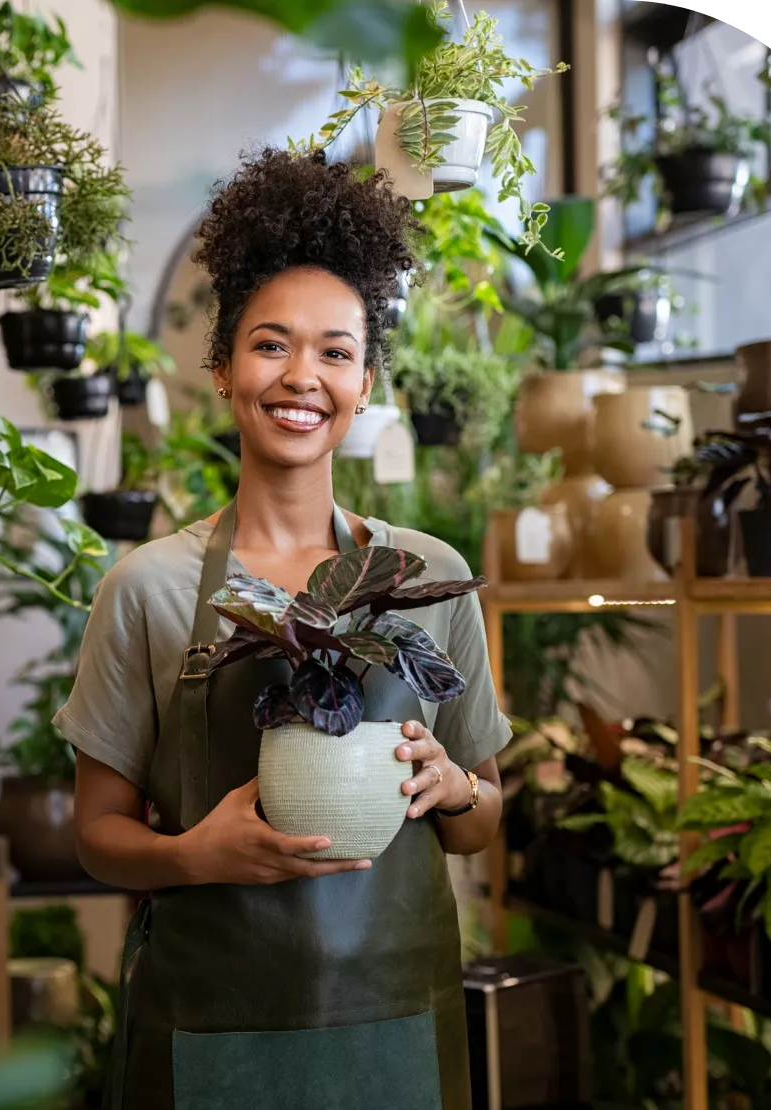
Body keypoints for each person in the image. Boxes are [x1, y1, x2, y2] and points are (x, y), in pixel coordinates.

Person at [57, 147, 511, 1110]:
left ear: (364, 381)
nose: (302, 376)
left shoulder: (426, 576)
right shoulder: (147, 588)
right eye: (270, 344)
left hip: (397, 1022)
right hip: (214, 1027)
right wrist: (191, 856)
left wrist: (455, 785)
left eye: (336, 352)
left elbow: (481, 827)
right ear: (222, 369)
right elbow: (95, 835)